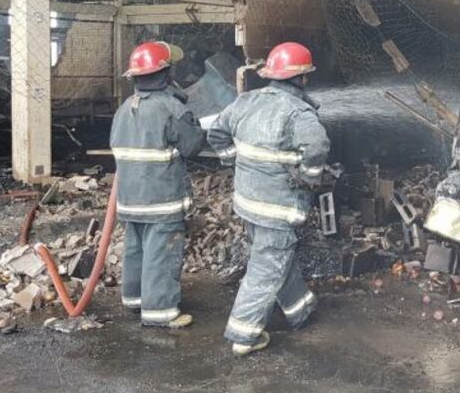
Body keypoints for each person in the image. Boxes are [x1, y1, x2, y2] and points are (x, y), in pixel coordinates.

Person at [207, 42, 331, 355]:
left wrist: (232, 159)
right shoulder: (299, 113)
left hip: (247, 203)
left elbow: (217, 133)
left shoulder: (245, 101)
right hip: (278, 207)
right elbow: (316, 148)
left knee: (273, 256)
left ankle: (299, 308)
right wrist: (310, 176)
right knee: (267, 265)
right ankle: (244, 335)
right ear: (302, 78)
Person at [110, 41, 204, 328]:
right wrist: (194, 124)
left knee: (136, 249)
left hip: (129, 199)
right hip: (161, 199)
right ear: (166, 73)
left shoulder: (125, 109)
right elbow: (192, 146)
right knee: (161, 254)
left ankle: (134, 299)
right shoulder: (171, 108)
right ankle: (160, 312)